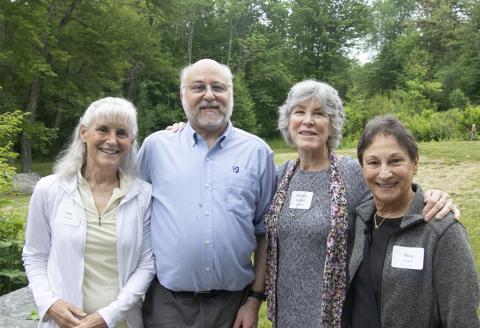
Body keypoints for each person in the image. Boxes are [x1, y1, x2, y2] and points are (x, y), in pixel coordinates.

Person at [264, 80, 458, 328]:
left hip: (336, 316)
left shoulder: (353, 174)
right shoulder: (279, 177)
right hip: (285, 313)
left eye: (319, 113)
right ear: (287, 121)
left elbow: (396, 190)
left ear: (332, 125)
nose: (308, 121)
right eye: (299, 112)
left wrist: (435, 196)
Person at [138, 59, 276, 328]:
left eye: (218, 87)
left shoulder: (258, 152)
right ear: (182, 96)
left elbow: (266, 234)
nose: (209, 95)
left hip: (234, 307)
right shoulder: (156, 148)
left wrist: (254, 300)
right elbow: (132, 215)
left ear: (231, 94)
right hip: (169, 305)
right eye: (198, 87)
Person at [22, 97, 155, 328]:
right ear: (84, 133)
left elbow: (147, 263)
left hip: (121, 322)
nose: (112, 140)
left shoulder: (142, 195)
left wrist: (108, 315)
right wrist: (49, 303)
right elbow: (35, 255)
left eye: (121, 133)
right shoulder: (50, 189)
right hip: (64, 323)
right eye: (103, 129)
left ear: (131, 141)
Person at [343, 115, 479, 327]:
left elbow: (462, 318)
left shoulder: (441, 229)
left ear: (415, 163)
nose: (385, 173)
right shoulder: (361, 218)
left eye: (396, 161)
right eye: (373, 162)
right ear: (362, 168)